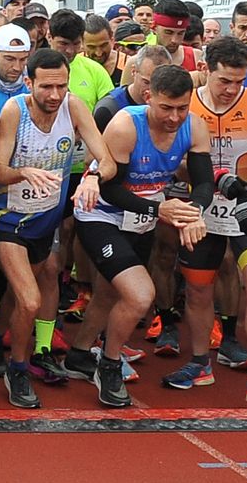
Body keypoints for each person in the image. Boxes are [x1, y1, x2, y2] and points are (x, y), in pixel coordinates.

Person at [68, 65, 212, 407]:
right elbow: (112, 187)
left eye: (182, 108)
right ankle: (110, 363)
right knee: (139, 294)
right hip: (102, 213)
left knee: (108, 293)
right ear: (149, 98)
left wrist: (194, 212)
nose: (175, 117)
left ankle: (78, 355)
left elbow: (203, 181)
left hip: (142, 218)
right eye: (166, 108)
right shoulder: (125, 125)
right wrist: (158, 210)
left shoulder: (195, 126)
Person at [0, 49, 112, 407]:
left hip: (46, 219)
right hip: (10, 219)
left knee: (33, 285)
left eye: (61, 86)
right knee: (28, 298)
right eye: (46, 87)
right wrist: (25, 172)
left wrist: (91, 177)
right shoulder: (15, 110)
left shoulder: (73, 108)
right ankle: (18, 368)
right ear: (28, 83)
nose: (55, 95)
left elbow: (105, 159)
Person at [174, 38, 247, 409]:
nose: (231, 90)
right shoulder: (186, 102)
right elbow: (170, 157)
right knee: (197, 290)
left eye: (239, 82)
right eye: (225, 80)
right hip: (203, 206)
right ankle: (199, 363)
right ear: (206, 69)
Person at [83, 13, 125, 86]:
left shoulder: (126, 63)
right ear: (82, 43)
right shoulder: (74, 65)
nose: (98, 53)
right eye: (91, 47)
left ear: (112, 38)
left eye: (103, 45)